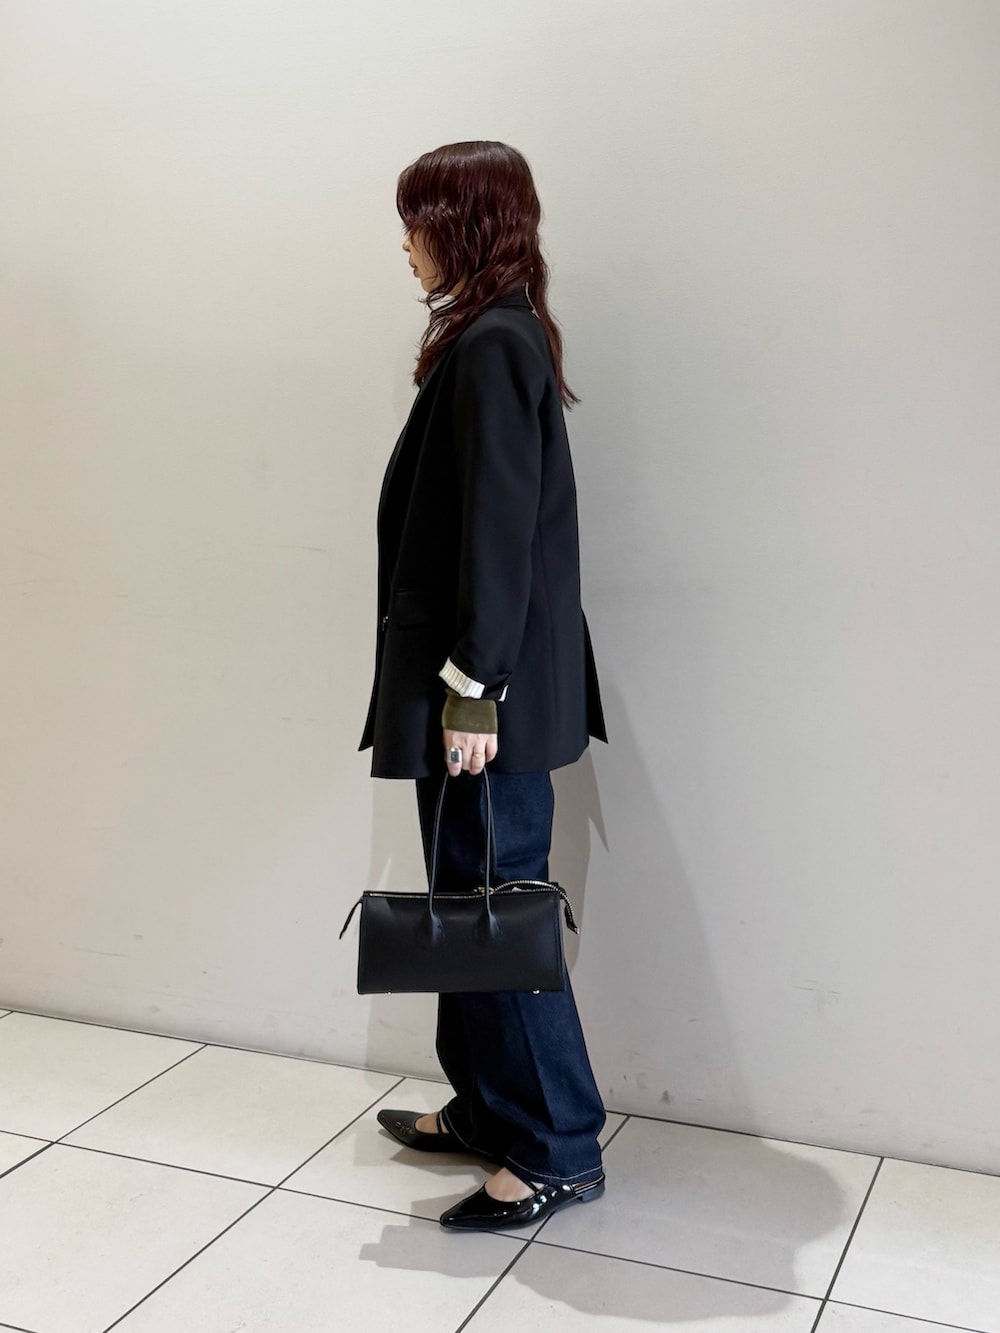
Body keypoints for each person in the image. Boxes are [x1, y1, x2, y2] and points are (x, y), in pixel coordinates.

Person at [358, 140, 608, 1232]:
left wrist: (472, 693)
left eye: (417, 221)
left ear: (462, 226)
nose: (405, 244)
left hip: (482, 701)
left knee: (500, 914)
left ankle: (557, 1146)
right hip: (467, 690)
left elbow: (500, 536)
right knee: (468, 907)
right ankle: (489, 1105)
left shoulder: (497, 343)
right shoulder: (490, 333)